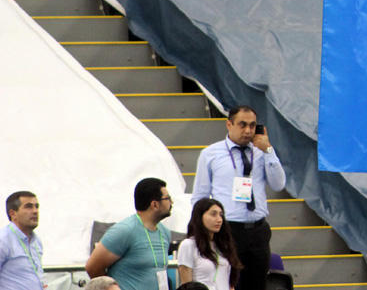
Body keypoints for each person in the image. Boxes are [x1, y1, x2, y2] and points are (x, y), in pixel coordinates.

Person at [191, 106, 285, 290]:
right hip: (228, 229)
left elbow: (278, 184)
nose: (248, 131)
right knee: (229, 283)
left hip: (258, 229)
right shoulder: (211, 154)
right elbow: (200, 196)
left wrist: (269, 151)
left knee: (257, 284)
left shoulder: (262, 152)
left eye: (252, 125)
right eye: (242, 125)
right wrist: (199, 230)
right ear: (229, 124)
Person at [85, 178, 173, 290]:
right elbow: (92, 267)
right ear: (154, 204)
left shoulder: (164, 232)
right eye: (167, 198)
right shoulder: (124, 231)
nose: (172, 202)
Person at [177, 200, 239, 290]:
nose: (219, 219)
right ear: (200, 217)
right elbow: (187, 285)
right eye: (213, 214)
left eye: (221, 215)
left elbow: (230, 283)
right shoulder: (188, 245)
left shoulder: (223, 246)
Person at [0, 192, 44, 290]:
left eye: (36, 207)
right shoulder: (3, 240)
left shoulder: (36, 241)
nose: (35, 211)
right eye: (28, 207)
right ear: (13, 213)